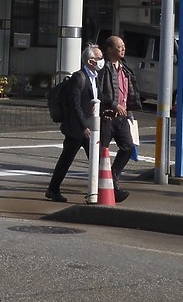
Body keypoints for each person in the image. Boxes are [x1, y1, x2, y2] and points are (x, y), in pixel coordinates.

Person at [45, 44, 104, 202]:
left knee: (94, 158)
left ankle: (107, 189)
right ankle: (53, 189)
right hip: (76, 128)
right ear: (91, 61)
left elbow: (99, 98)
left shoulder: (95, 77)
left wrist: (113, 106)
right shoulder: (79, 77)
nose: (101, 61)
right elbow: (74, 105)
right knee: (68, 158)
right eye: (99, 58)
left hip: (88, 126)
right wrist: (84, 126)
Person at [99, 34, 143, 203]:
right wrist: (112, 104)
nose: (123, 49)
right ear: (109, 50)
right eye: (119, 47)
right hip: (106, 116)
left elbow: (129, 94)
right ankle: (105, 186)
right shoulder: (104, 68)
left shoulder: (125, 68)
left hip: (122, 117)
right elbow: (98, 92)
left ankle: (113, 178)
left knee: (127, 147)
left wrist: (130, 111)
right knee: (100, 151)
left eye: (123, 46)